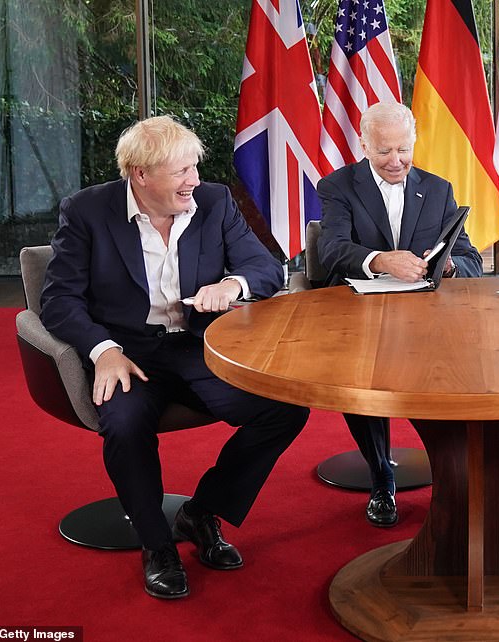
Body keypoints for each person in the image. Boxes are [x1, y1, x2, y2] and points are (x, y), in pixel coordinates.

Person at [40, 116, 310, 599]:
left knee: (284, 408)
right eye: (182, 172)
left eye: (194, 168)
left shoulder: (213, 202)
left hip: (197, 346)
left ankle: (202, 512)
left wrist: (234, 284)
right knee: (123, 426)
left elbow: (265, 265)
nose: (195, 181)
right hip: (127, 351)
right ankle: (157, 545)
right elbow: (59, 300)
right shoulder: (86, 211)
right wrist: (103, 351)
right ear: (140, 175)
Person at [316, 101, 482, 527]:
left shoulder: (439, 188)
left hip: (425, 317)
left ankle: (455, 476)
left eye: (404, 150)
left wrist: (447, 264)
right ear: (364, 145)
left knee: (452, 375)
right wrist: (381, 260)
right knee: (362, 384)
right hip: (358, 313)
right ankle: (381, 478)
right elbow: (331, 251)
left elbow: (469, 258)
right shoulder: (337, 186)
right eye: (385, 151)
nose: (396, 161)